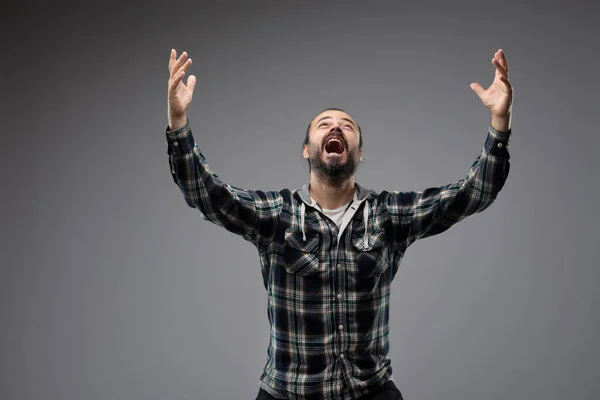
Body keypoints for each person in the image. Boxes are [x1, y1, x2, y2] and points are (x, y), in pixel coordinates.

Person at [165, 48, 513, 400]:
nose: (336, 127)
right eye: (324, 125)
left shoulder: (386, 215)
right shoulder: (277, 215)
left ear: (359, 152)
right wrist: (178, 122)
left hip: (369, 391)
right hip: (289, 393)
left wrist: (499, 123)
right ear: (306, 149)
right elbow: (207, 194)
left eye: (347, 126)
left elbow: (471, 193)